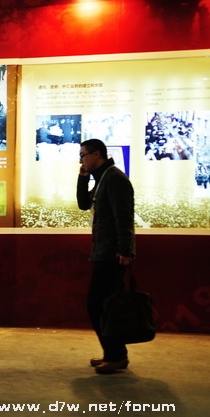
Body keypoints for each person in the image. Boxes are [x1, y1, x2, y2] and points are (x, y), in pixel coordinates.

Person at [76, 139, 136, 374]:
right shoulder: (102, 178)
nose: (81, 160)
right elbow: (83, 204)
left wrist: (125, 250)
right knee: (102, 305)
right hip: (103, 251)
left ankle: (116, 355)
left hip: (113, 253)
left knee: (98, 305)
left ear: (96, 154)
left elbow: (124, 216)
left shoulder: (114, 178)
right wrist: (82, 178)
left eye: (83, 155)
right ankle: (113, 353)